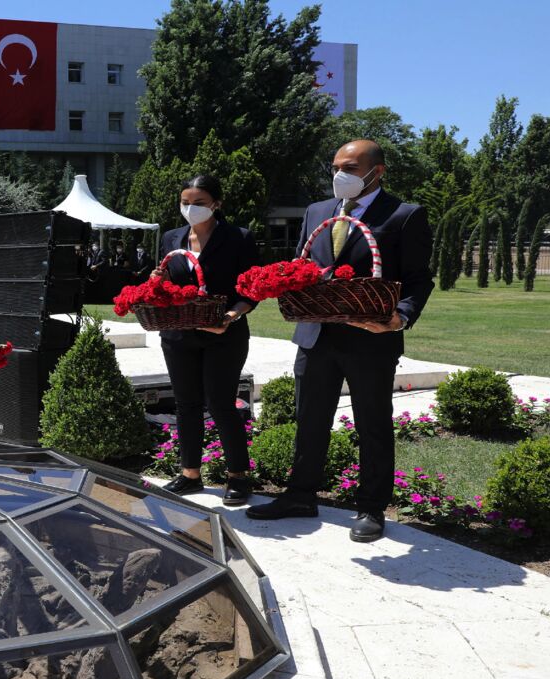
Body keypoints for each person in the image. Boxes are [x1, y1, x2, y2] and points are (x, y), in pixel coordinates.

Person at [247, 139, 434, 542]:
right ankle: (300, 495)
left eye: (350, 167)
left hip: (370, 338)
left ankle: (371, 507)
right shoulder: (317, 211)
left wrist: (399, 317)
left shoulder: (404, 215)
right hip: (315, 335)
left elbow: (419, 279)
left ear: (377, 171)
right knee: (310, 419)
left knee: (372, 424)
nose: (339, 175)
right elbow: (301, 265)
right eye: (335, 166)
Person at [155, 175, 261, 506]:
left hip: (223, 336)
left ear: (217, 203)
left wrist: (231, 316)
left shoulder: (239, 238)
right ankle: (190, 475)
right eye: (185, 202)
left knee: (220, 403)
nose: (190, 208)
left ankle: (238, 477)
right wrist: (157, 281)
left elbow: (251, 290)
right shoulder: (172, 237)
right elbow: (167, 284)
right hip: (178, 333)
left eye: (198, 202)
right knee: (185, 404)